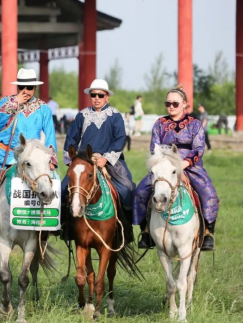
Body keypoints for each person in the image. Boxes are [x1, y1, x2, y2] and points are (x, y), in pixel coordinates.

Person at [0, 68, 58, 236]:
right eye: (22, 87)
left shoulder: (43, 109)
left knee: (52, 184)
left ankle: (50, 223)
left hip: (32, 158)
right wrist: (15, 103)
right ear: (17, 87)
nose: (26, 91)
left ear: (35, 88)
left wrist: (51, 160)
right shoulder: (6, 102)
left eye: (30, 87)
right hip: (2, 155)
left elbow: (50, 135)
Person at [133, 88, 219, 251]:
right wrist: (165, 162)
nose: (171, 106)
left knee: (210, 194)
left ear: (184, 104)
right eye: (168, 103)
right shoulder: (159, 123)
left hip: (189, 165)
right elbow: (154, 147)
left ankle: (207, 233)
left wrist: (184, 163)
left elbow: (199, 149)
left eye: (175, 103)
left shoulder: (195, 124)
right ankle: (145, 232)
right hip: (165, 164)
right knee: (140, 192)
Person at [63, 79, 135, 243]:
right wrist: (73, 159)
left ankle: (126, 229)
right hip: (84, 161)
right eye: (93, 94)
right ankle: (67, 228)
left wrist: (105, 158)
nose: (96, 98)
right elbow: (71, 139)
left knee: (128, 189)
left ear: (107, 97)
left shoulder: (115, 116)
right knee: (62, 189)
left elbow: (119, 139)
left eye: (100, 95)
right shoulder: (82, 115)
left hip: (109, 161)